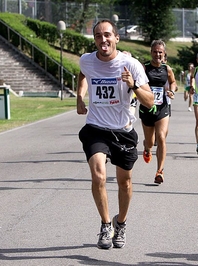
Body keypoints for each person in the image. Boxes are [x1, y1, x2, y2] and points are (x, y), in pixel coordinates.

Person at [77, 19, 153, 249]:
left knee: (125, 183)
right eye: (98, 36)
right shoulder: (87, 60)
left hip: (123, 131)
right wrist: (79, 97)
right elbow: (82, 74)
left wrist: (134, 86)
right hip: (96, 129)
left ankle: (121, 223)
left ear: (116, 38)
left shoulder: (132, 65)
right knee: (99, 176)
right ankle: (105, 224)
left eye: (108, 35)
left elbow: (149, 102)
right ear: (95, 40)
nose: (103, 40)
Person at [139, 40, 177, 184]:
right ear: (151, 53)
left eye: (160, 52)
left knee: (161, 137)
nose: (157, 54)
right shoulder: (144, 68)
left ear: (164, 53)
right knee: (150, 141)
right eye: (155, 51)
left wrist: (172, 91)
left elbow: (173, 82)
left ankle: (160, 171)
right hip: (147, 108)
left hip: (162, 107)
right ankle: (147, 148)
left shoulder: (167, 69)